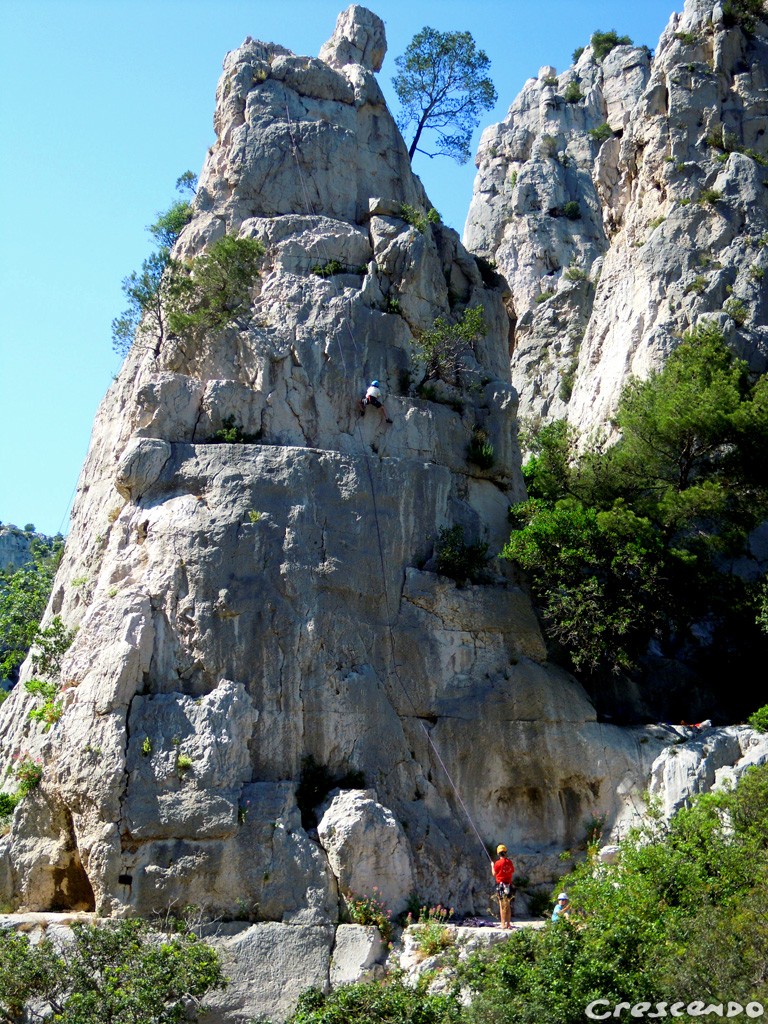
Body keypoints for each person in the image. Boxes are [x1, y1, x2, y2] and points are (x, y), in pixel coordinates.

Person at [492, 844, 515, 929]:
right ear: (505, 852)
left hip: (501, 885)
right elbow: (512, 871)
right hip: (509, 885)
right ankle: (508, 924)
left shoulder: (497, 863)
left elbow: (494, 874)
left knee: (502, 905)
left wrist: (492, 866)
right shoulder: (509, 862)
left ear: (498, 854)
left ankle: (503, 924)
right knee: (508, 905)